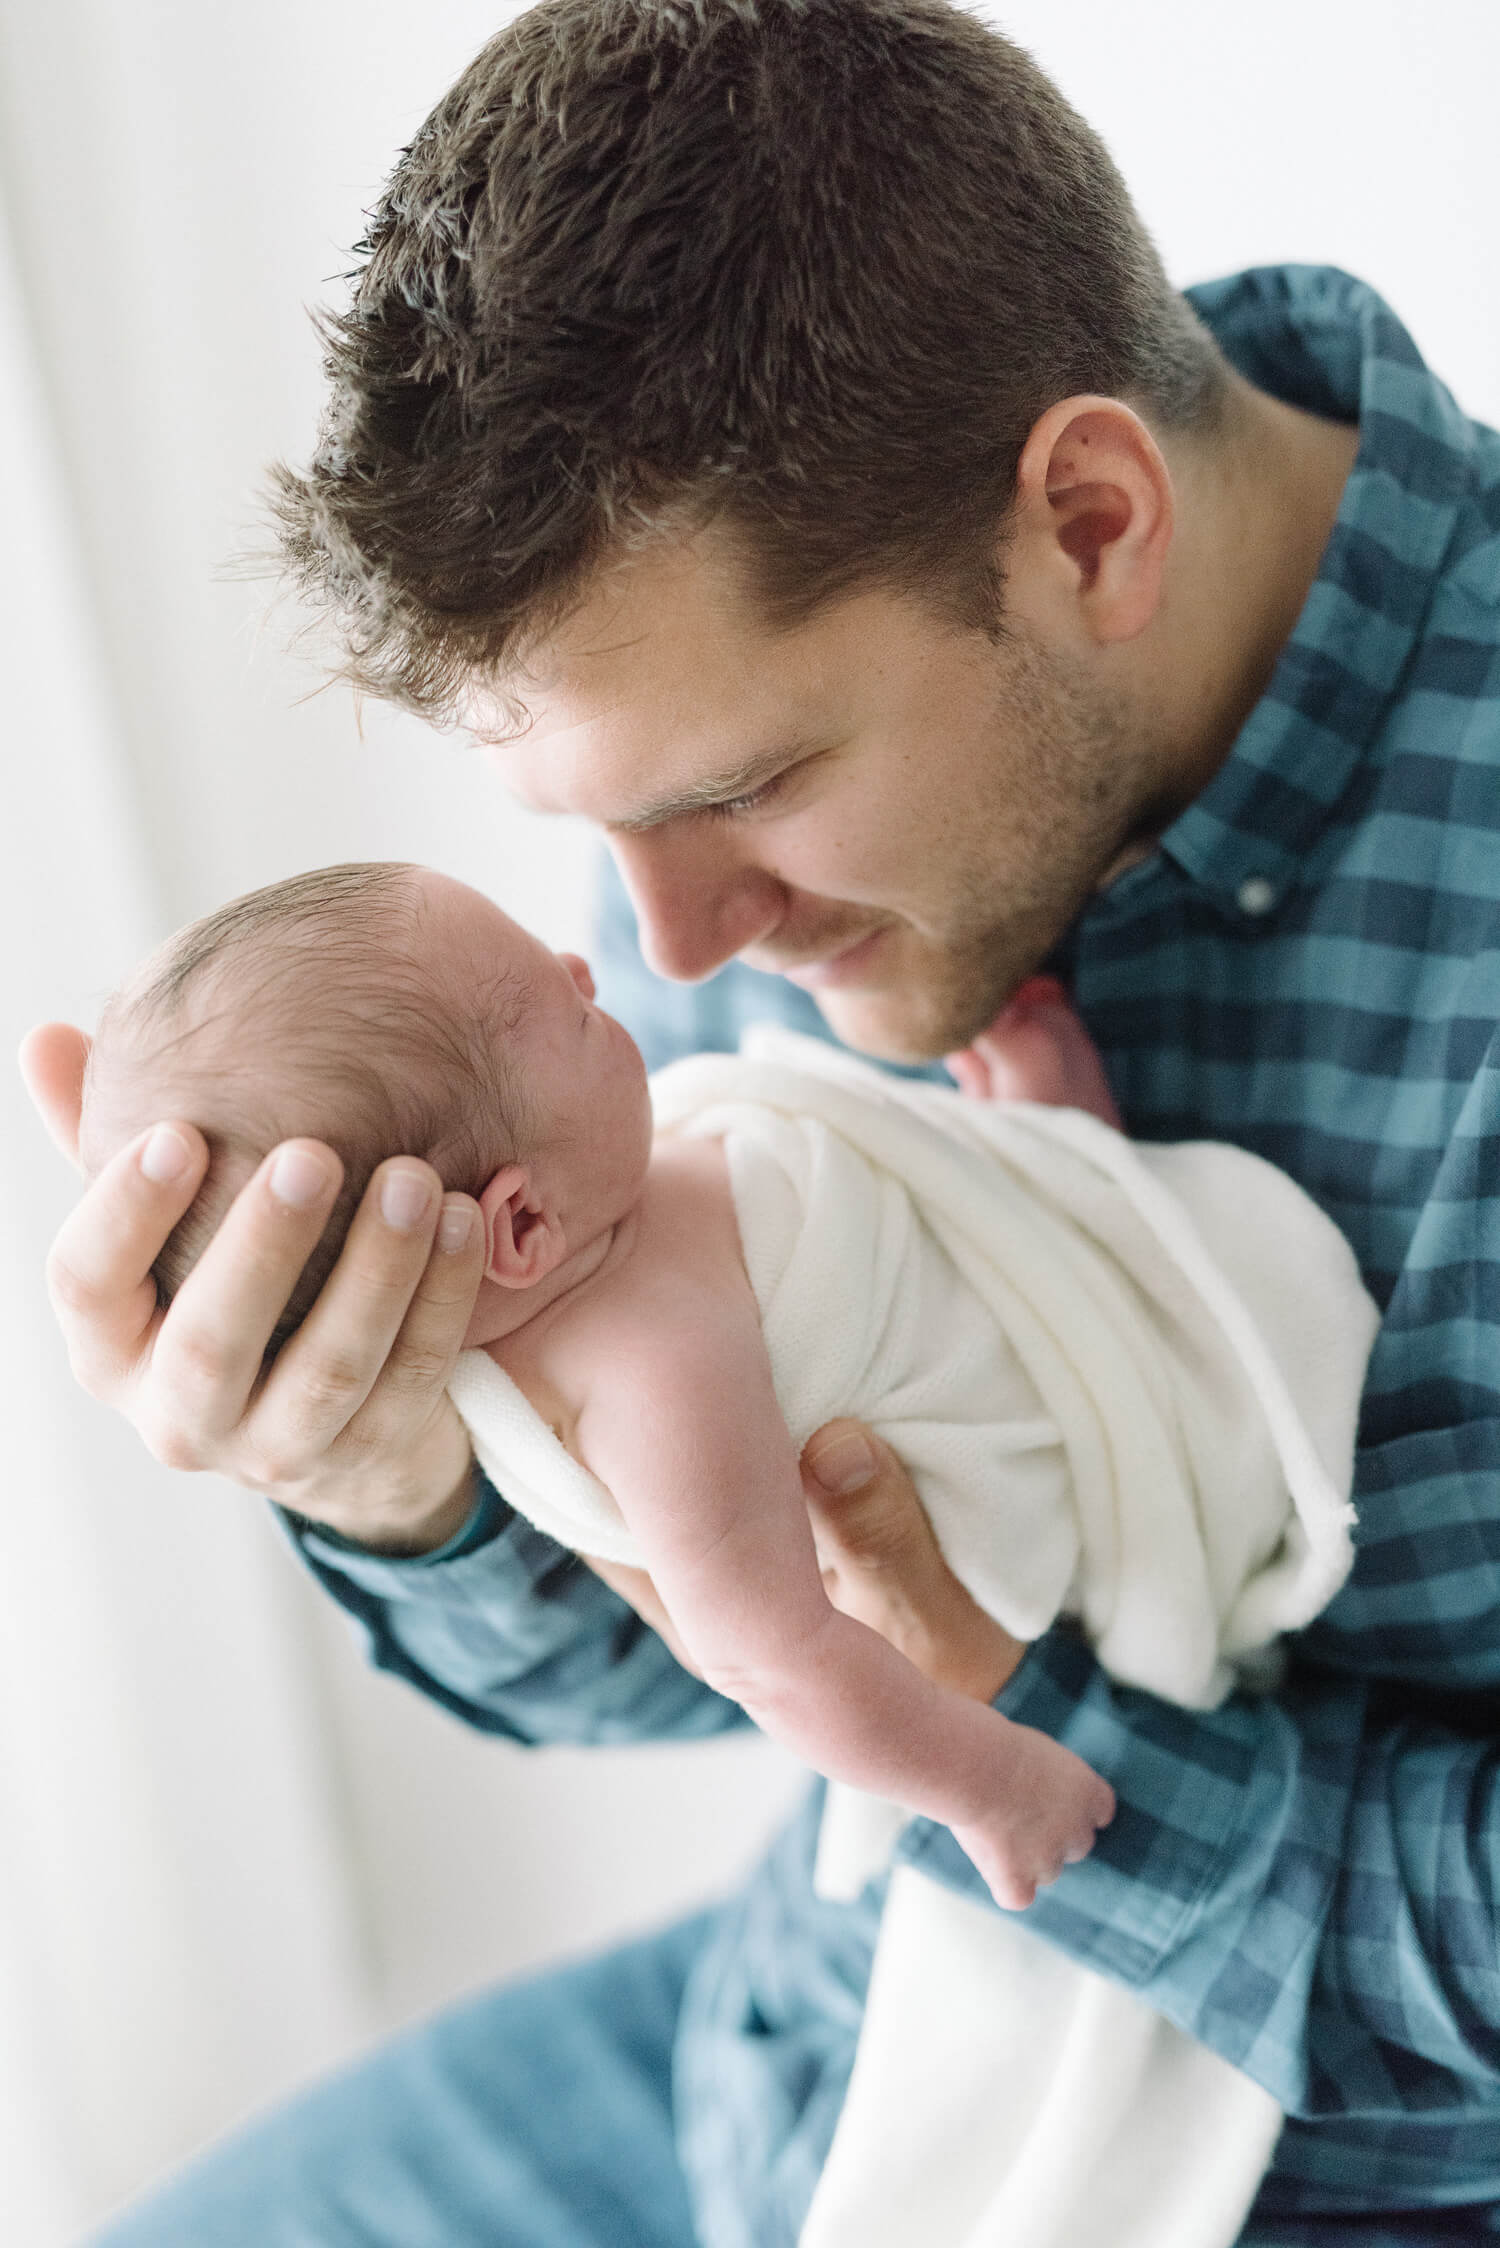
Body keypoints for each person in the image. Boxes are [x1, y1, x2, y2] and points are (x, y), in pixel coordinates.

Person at [18, 1, 1500, 2241]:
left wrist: (1041, 1743)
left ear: (1091, 521)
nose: (673, 955)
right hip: (803, 2028)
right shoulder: (748, 791)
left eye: (743, 792)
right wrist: (415, 1457)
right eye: (600, 831)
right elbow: (691, 1647)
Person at [75, 857, 1375, 2248]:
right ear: (520, 1226)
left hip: (988, 1270)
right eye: (553, 1011)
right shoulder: (653, 1369)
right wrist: (990, 1777)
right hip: (1009, 1541)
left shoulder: (593, 1183)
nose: (600, 971)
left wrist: (1006, 1165)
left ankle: (1082, 1181)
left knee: (991, 1228)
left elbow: (862, 1179)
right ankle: (1096, 1211)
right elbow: (776, 1651)